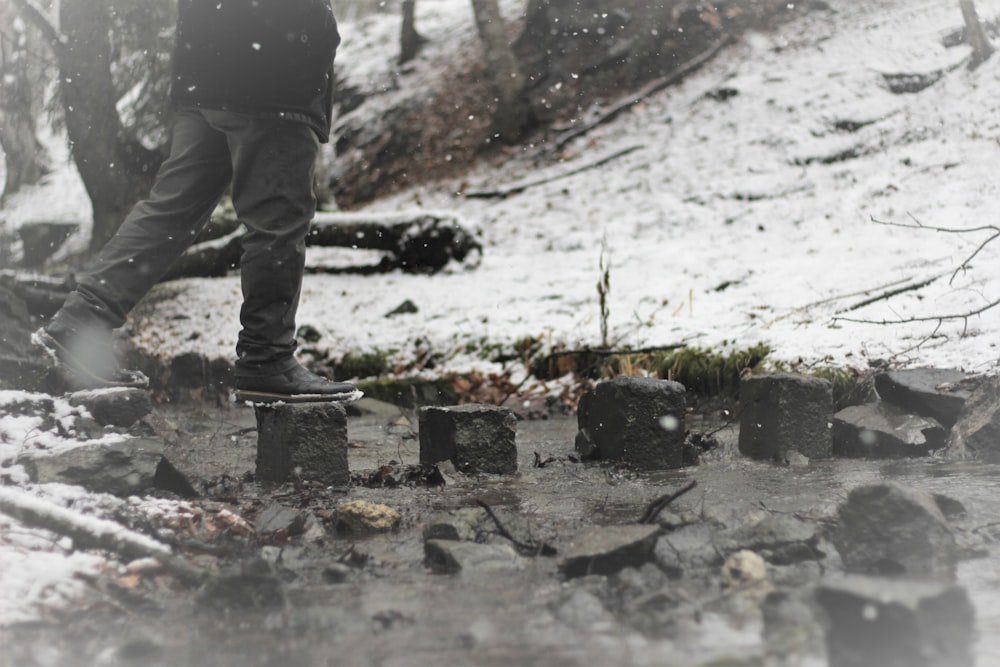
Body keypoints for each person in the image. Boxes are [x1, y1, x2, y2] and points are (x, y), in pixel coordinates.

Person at [33, 0, 360, 404]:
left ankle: (82, 319)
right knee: (277, 221)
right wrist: (315, 28)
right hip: (275, 73)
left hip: (207, 73)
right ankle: (267, 358)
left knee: (172, 210)